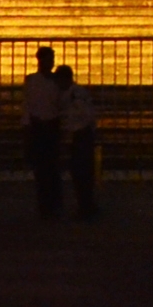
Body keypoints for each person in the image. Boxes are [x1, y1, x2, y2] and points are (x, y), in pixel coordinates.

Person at [20, 46, 65, 220]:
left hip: (49, 126)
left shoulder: (48, 81)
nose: (51, 63)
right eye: (49, 59)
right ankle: (47, 206)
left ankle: (51, 205)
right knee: (44, 169)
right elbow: (28, 106)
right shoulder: (35, 81)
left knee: (51, 168)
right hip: (41, 126)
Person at [58, 61, 101, 220]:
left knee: (80, 172)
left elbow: (81, 116)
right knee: (82, 172)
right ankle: (86, 205)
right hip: (82, 135)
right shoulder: (77, 93)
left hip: (80, 135)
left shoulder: (73, 95)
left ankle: (85, 206)